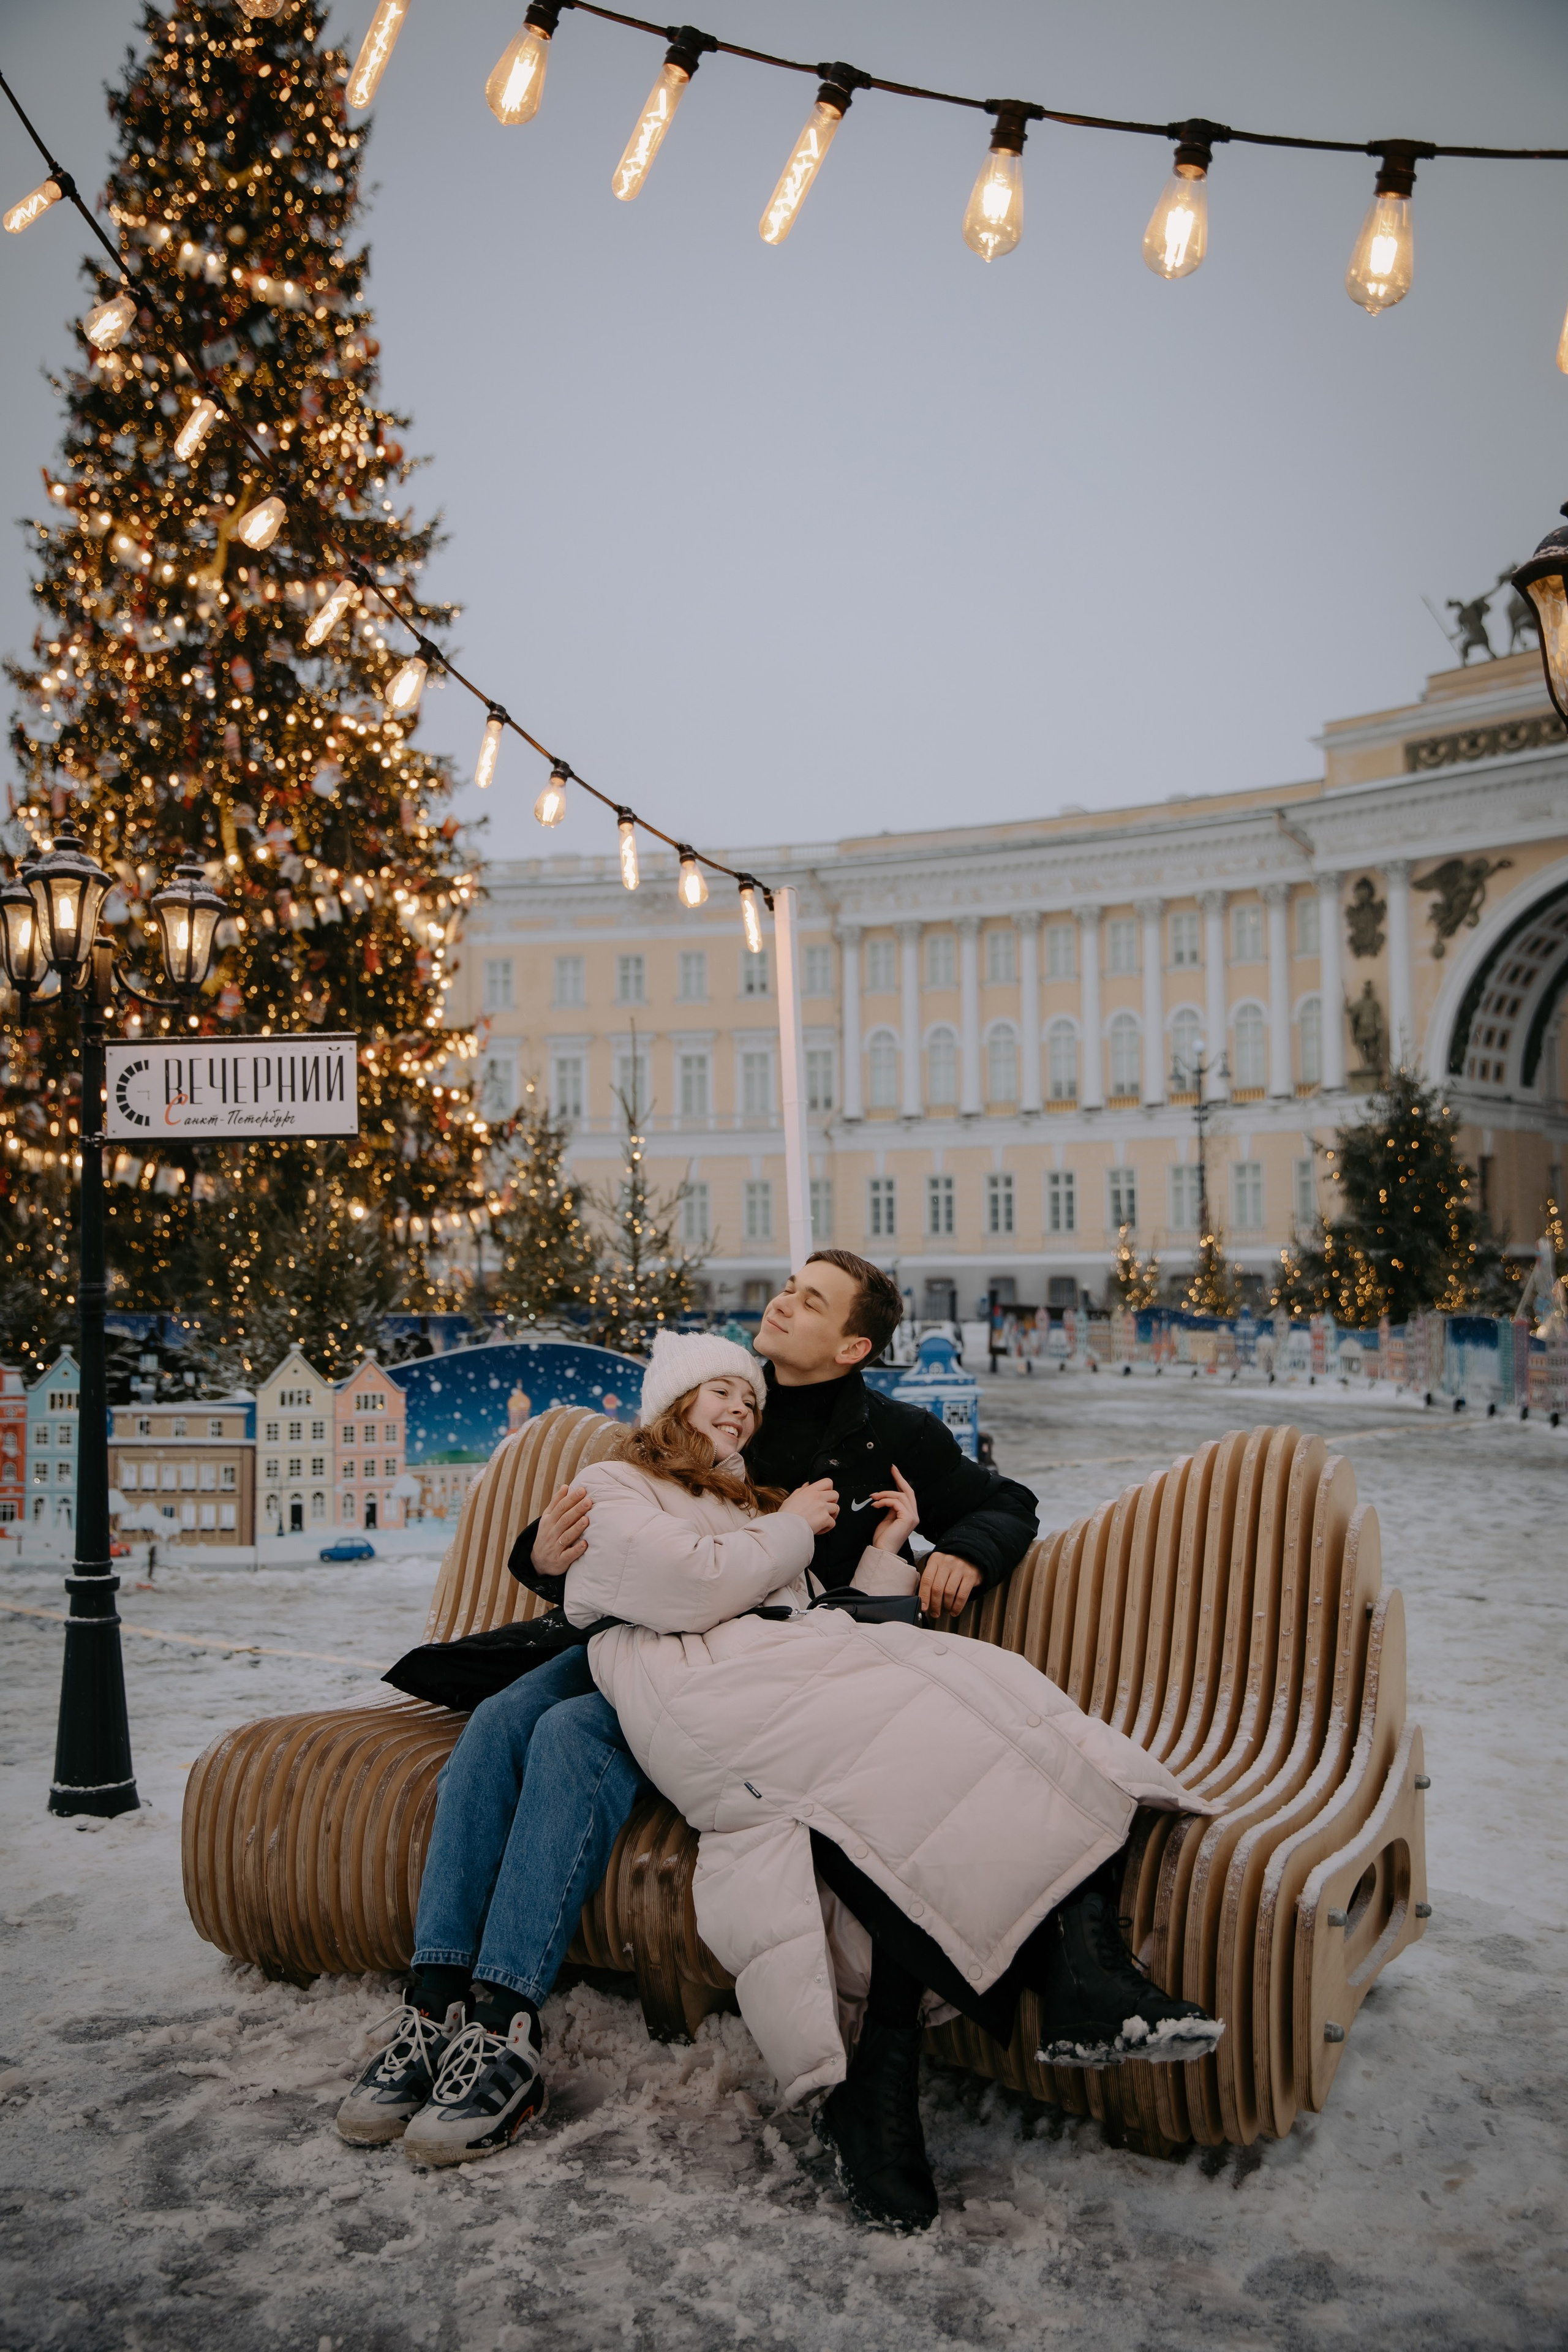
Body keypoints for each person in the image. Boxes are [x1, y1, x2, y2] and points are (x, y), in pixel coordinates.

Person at [379, 1335, 1219, 2220]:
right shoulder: (640, 1476)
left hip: (773, 1669)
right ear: (675, 1403)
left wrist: (906, 1545)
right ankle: (465, 2007)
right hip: (678, 1671)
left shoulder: (819, 1463)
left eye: (749, 1395)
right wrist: (769, 1529)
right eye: (719, 1392)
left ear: (854, 1340)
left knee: (979, 1708)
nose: (742, 1402)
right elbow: (674, 1570)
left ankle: (1072, 1981)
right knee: (539, 1726)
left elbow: (826, 1600)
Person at [337, 1253, 1039, 2173]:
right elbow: (630, 1517)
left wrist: (968, 1554)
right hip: (629, 1634)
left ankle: (505, 2024)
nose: (784, 1301)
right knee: (502, 1718)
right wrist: (540, 1554)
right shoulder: (711, 1397)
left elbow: (1006, 1502)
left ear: (854, 1345)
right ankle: (433, 2009)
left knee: (566, 1733)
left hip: (734, 1677)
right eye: (789, 1286)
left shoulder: (888, 1434)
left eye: (812, 1300)